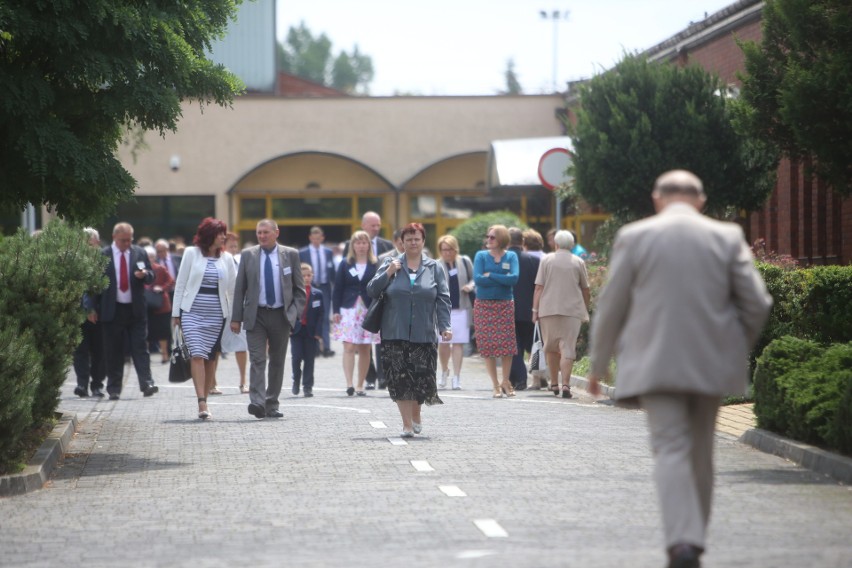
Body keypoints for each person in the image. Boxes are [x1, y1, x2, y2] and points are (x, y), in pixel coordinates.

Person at [587, 170, 772, 568]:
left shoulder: (635, 236)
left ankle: (681, 542)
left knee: (670, 447)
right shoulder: (726, 237)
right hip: (710, 364)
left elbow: (612, 306)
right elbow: (758, 302)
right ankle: (694, 540)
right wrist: (736, 345)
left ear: (657, 199)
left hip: (655, 364)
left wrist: (598, 365)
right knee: (702, 453)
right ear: (701, 201)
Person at [367, 223, 451, 437]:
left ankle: (416, 414)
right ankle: (406, 424)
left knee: (421, 379)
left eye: (417, 239)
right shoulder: (390, 263)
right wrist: (388, 272)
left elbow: (442, 298)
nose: (413, 242)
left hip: (424, 333)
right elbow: (372, 290)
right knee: (400, 380)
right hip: (395, 332)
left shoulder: (434, 267)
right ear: (401, 242)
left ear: (423, 241)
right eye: (409, 239)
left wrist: (445, 326)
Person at [231, 219, 306, 419]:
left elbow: (300, 290)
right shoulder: (248, 255)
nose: (262, 236)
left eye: (265, 232)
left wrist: (293, 314)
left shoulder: (290, 255)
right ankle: (257, 402)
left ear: (276, 233)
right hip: (255, 315)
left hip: (281, 315)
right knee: (257, 359)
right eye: (259, 233)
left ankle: (271, 403)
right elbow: (240, 289)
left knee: (277, 360)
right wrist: (236, 318)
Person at [171, 218, 235, 420]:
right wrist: (176, 313)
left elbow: (232, 291)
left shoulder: (227, 258)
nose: (223, 237)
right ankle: (201, 402)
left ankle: (204, 397)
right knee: (197, 354)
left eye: (224, 233)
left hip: (217, 315)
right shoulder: (191, 253)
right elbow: (180, 284)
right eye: (220, 233)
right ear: (209, 235)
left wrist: (235, 318)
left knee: (210, 359)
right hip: (191, 312)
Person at [97, 222, 159, 400]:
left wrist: (145, 275)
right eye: (123, 240)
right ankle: (114, 388)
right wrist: (91, 308)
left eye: (129, 240)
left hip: (135, 309)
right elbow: (94, 283)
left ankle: (147, 383)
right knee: (113, 351)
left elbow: (151, 275)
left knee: (140, 347)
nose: (127, 243)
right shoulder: (104, 255)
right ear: (114, 237)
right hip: (112, 309)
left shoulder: (139, 252)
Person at [532, 230, 590, 398]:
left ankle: (554, 383)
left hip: (548, 309)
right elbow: (585, 289)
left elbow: (538, 287)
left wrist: (535, 310)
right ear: (572, 245)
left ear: (556, 244)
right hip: (572, 311)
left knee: (550, 346)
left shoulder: (546, 260)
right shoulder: (578, 262)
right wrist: (584, 308)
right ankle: (566, 384)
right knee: (567, 347)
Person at [343, 211, 394, 390]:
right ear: (363, 225)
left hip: (373, 304)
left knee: (378, 343)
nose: (376, 228)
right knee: (360, 346)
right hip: (352, 306)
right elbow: (342, 280)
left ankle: (383, 377)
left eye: (378, 225)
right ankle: (369, 378)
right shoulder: (349, 252)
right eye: (373, 225)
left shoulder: (386, 246)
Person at [473, 224, 519, 398]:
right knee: (488, 345)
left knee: (507, 344)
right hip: (484, 304)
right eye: (488, 237)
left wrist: (490, 275)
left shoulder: (512, 256)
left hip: (505, 304)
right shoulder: (481, 256)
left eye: (492, 237)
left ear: (501, 239)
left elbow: (514, 279)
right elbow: (477, 279)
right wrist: (501, 279)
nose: (488, 240)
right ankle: (495, 385)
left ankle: (505, 381)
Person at [332, 230, 380, 396]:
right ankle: (349, 383)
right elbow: (337, 289)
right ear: (352, 245)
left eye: (364, 242)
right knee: (349, 346)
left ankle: (360, 384)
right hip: (348, 310)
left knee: (365, 347)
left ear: (369, 245)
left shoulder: (376, 264)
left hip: (368, 310)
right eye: (358, 243)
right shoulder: (345, 264)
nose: (361, 246)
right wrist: (335, 311)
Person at [435, 234, 474, 390]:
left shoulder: (464, 262)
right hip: (443, 310)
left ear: (455, 249)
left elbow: (474, 278)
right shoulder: (436, 265)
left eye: (450, 249)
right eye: (444, 250)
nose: (447, 253)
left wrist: (470, 286)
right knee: (444, 344)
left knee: (458, 344)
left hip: (462, 308)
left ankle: (457, 377)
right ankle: (444, 371)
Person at [73, 227, 105, 398]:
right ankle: (81, 384)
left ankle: (97, 385)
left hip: (100, 314)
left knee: (99, 351)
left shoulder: (104, 260)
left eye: (90, 243)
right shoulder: (74, 260)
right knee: (80, 350)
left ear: (97, 242)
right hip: (78, 314)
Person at [508, 227, 540, 391]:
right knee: (533, 344)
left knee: (514, 347)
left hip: (509, 309)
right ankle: (539, 376)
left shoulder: (503, 260)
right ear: (522, 242)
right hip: (530, 310)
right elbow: (539, 286)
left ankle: (519, 379)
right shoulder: (534, 261)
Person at [298, 226, 336, 358]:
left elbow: (332, 271)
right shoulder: (303, 253)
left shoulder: (328, 252)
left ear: (322, 238)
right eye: (314, 238)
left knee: (324, 316)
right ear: (310, 238)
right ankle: (313, 346)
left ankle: (326, 347)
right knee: (309, 315)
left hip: (324, 287)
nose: (316, 240)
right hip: (309, 286)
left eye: (318, 238)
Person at [218, 232, 249, 393]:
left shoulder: (240, 261)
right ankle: (212, 383)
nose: (234, 249)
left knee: (242, 344)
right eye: (231, 246)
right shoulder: (219, 261)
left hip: (238, 307)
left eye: (236, 246)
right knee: (216, 346)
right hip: (220, 307)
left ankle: (243, 381)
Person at [290, 263, 325, 398]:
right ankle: (296, 381)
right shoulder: (294, 292)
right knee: (296, 357)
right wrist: (289, 327)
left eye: (309, 275)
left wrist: (319, 333)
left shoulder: (318, 294)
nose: (306, 278)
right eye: (303, 276)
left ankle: (308, 386)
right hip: (296, 331)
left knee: (310, 359)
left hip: (311, 331)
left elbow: (322, 314)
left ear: (312, 276)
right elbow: (289, 310)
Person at [144, 245, 174, 365]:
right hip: (146, 304)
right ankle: (145, 356)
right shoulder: (141, 269)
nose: (149, 259)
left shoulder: (160, 268)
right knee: (145, 331)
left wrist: (162, 288)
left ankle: (165, 355)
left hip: (161, 304)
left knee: (163, 331)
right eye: (147, 257)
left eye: (151, 256)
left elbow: (171, 281)